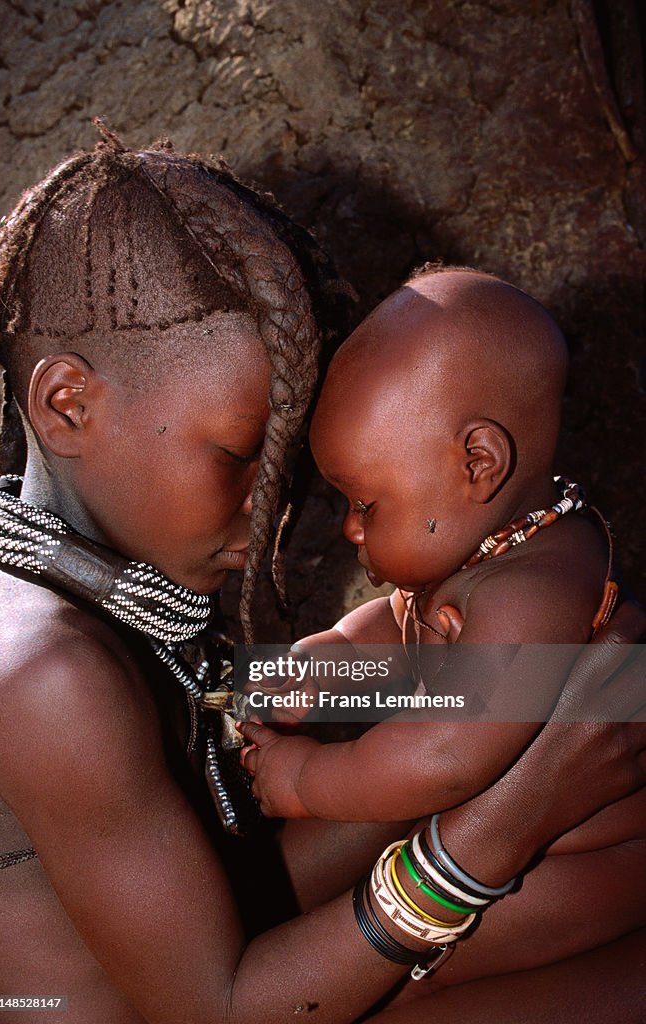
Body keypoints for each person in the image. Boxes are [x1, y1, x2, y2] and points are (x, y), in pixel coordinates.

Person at [0, 131, 644, 1024]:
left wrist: (525, 689)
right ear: (69, 404)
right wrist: (510, 820)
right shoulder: (43, 676)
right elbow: (219, 1007)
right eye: (239, 453)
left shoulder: (72, 560)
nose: (272, 512)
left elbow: (247, 792)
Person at [238, 268, 646, 991]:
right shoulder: (490, 542)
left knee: (418, 975)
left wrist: (306, 779)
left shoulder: (532, 594)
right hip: (498, 822)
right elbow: (399, 627)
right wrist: (324, 662)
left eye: (365, 501)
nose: (350, 528)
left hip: (580, 857)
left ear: (476, 464)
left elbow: (446, 755)